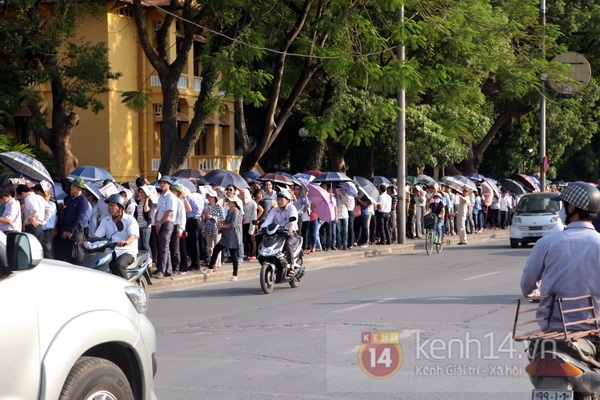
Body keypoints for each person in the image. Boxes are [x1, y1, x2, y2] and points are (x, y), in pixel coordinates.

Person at [521, 182, 600, 335]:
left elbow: (527, 284)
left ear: (571, 209)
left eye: (562, 206)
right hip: (594, 327)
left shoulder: (546, 243)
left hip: (554, 326)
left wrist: (535, 294)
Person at [92, 194, 139, 279]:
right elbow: (96, 235)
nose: (109, 208)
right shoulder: (106, 220)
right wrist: (86, 241)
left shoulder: (130, 220)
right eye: (109, 205)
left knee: (118, 265)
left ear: (120, 208)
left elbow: (132, 236)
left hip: (127, 251)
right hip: (111, 251)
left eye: (113, 205)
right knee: (97, 263)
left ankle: (126, 287)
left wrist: (125, 242)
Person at [260, 190, 300, 276]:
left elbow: (294, 218)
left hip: (290, 233)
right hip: (277, 233)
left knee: (288, 244)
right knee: (266, 240)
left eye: (282, 199)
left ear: (287, 201)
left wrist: (291, 227)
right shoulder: (274, 210)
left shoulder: (291, 208)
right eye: (278, 199)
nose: (280, 201)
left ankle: (292, 267)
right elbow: (268, 220)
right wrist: (262, 227)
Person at [206, 195, 243, 281]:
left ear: (235, 203)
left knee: (233, 255)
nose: (229, 202)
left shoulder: (236, 212)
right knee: (216, 249)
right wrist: (221, 222)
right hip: (226, 235)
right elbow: (227, 221)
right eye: (228, 201)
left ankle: (235, 274)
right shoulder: (230, 210)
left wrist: (221, 227)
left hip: (233, 235)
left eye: (230, 201)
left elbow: (232, 225)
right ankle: (210, 267)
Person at [60, 178, 91, 265]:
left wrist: (71, 231)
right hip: (67, 230)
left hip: (76, 231)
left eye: (73, 186)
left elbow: (80, 217)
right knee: (67, 255)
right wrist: (64, 230)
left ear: (79, 188)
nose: (71, 187)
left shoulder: (83, 200)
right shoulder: (70, 200)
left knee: (77, 255)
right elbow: (64, 215)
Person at [153, 176, 176, 279]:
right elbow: (158, 211)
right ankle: (168, 270)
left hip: (167, 224)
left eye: (164, 183)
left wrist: (160, 222)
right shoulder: (161, 196)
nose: (162, 185)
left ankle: (162, 270)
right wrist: (156, 221)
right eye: (161, 183)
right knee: (164, 248)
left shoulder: (171, 197)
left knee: (163, 248)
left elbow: (168, 212)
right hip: (161, 223)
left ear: (169, 184)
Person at [201, 189, 225, 272]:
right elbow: (203, 219)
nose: (209, 198)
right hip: (208, 229)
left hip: (216, 228)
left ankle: (217, 264)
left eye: (211, 196)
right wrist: (203, 230)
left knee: (217, 246)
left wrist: (212, 217)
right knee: (209, 247)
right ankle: (211, 263)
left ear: (215, 197)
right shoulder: (206, 207)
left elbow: (222, 218)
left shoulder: (219, 207)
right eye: (208, 196)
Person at [33, 183, 57, 259]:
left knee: (48, 253)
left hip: (47, 231)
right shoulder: (36, 203)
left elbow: (45, 214)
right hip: (38, 229)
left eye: (38, 194)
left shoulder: (51, 204)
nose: (37, 196)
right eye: (36, 194)